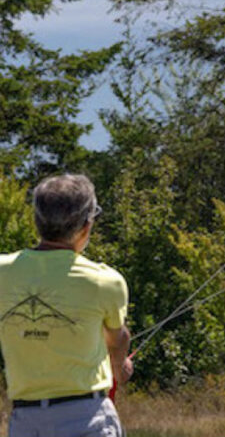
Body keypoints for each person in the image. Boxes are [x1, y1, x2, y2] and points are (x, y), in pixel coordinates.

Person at [0, 174, 133, 437]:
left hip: (25, 421)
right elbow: (117, 339)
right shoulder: (105, 281)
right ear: (86, 226)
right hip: (87, 418)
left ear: (37, 221)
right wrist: (120, 367)